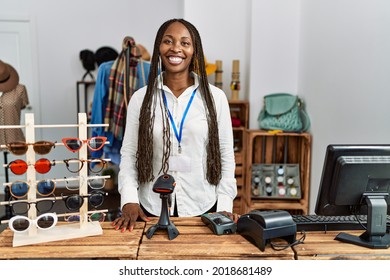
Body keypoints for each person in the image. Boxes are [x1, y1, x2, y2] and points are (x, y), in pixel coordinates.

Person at [112, 18, 237, 232]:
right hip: (150, 206)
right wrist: (129, 200)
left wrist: (224, 205)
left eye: (185, 43)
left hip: (205, 207)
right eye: (168, 41)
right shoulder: (141, 99)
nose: (176, 48)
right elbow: (130, 153)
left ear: (194, 50)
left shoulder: (215, 98)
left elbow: (226, 155)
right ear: (159, 48)